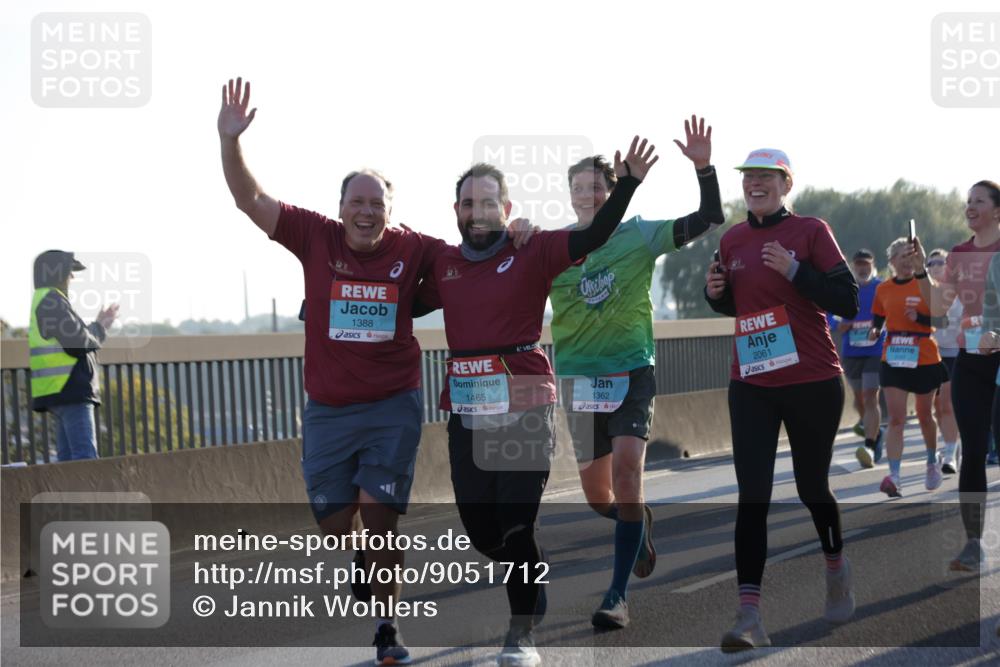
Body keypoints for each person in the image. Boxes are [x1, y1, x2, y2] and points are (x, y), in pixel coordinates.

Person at [216, 77, 535, 665]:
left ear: (392, 212)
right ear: (341, 210)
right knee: (340, 529)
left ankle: (388, 627)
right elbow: (249, 199)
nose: (366, 212)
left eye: (377, 204)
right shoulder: (313, 235)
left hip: (393, 404)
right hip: (328, 409)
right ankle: (363, 558)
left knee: (381, 517)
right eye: (356, 203)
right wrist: (229, 139)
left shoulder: (414, 249)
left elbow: (474, 252)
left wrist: (516, 233)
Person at [416, 137, 658, 667]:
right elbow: (392, 289)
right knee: (485, 534)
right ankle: (532, 567)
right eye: (468, 203)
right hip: (467, 408)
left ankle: (520, 635)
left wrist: (630, 184)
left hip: (525, 401)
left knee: (516, 523)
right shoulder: (444, 262)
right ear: (456, 210)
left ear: (506, 209)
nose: (478, 213)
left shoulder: (533, 249)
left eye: (488, 203)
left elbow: (594, 233)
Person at [549, 116, 723, 629]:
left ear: (612, 190)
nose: (589, 195)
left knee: (628, 473)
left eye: (598, 187)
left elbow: (709, 215)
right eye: (581, 188)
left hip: (631, 374)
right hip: (579, 381)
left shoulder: (639, 234)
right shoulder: (553, 249)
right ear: (571, 195)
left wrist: (705, 168)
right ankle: (639, 520)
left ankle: (617, 595)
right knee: (600, 497)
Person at [704, 148, 859, 651]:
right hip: (752, 382)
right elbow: (737, 304)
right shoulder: (732, 239)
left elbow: (847, 301)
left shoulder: (811, 231)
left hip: (812, 379)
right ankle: (749, 615)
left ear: (785, 184)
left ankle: (836, 567)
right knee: (752, 497)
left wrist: (796, 271)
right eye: (749, 178)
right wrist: (716, 293)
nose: (755, 185)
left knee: (812, 486)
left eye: (766, 177)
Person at [910, 180, 1000, 571]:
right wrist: (918, 273)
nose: (970, 206)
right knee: (973, 453)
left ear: (997, 210)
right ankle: (974, 544)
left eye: (978, 201)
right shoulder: (960, 254)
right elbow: (936, 306)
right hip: (971, 360)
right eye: (967, 201)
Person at [869, 238, 949, 497]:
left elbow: (943, 319)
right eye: (901, 256)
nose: (906, 260)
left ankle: (930, 460)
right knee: (896, 418)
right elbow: (878, 319)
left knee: (925, 415)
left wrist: (921, 318)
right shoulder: (883, 289)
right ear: (891, 261)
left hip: (924, 356)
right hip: (894, 356)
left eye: (910, 255)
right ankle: (894, 475)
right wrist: (873, 331)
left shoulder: (925, 284)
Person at [29, 250, 118, 461]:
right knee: (84, 463)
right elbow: (77, 344)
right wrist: (99, 329)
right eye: (70, 272)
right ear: (59, 273)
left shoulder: (48, 300)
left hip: (60, 391)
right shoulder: (52, 302)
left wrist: (98, 327)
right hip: (70, 391)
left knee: (68, 464)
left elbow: (74, 337)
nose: (73, 277)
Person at [827, 249, 885, 468]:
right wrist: (837, 325)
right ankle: (876, 431)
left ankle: (870, 445)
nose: (862, 268)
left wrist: (879, 328)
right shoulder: (845, 287)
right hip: (852, 351)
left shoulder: (881, 287)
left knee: (871, 396)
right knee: (860, 399)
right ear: (852, 266)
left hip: (875, 349)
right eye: (859, 264)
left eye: (866, 264)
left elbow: (892, 310)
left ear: (873, 265)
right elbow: (827, 313)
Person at [927, 249, 962, 473]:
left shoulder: (960, 292)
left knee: (947, 405)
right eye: (931, 263)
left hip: (954, 354)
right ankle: (952, 442)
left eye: (941, 262)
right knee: (937, 408)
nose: (936, 266)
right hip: (930, 355)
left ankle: (949, 453)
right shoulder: (924, 292)